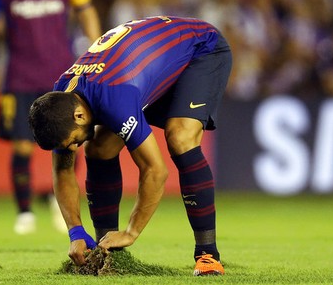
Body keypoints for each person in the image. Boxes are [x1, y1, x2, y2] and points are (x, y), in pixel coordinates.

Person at [28, 16, 232, 276]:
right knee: (98, 148)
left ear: (80, 115)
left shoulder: (115, 97)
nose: (75, 146)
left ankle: (207, 256)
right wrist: (76, 232)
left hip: (201, 49)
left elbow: (155, 171)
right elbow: (62, 171)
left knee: (180, 137)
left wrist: (131, 231)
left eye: (73, 141)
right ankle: (104, 250)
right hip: (152, 67)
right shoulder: (61, 100)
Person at [0, 0, 101, 235]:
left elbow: (85, 11)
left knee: (70, 142)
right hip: (18, 75)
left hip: (61, 77)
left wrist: (99, 48)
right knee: (21, 145)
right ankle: (24, 211)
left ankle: (64, 207)